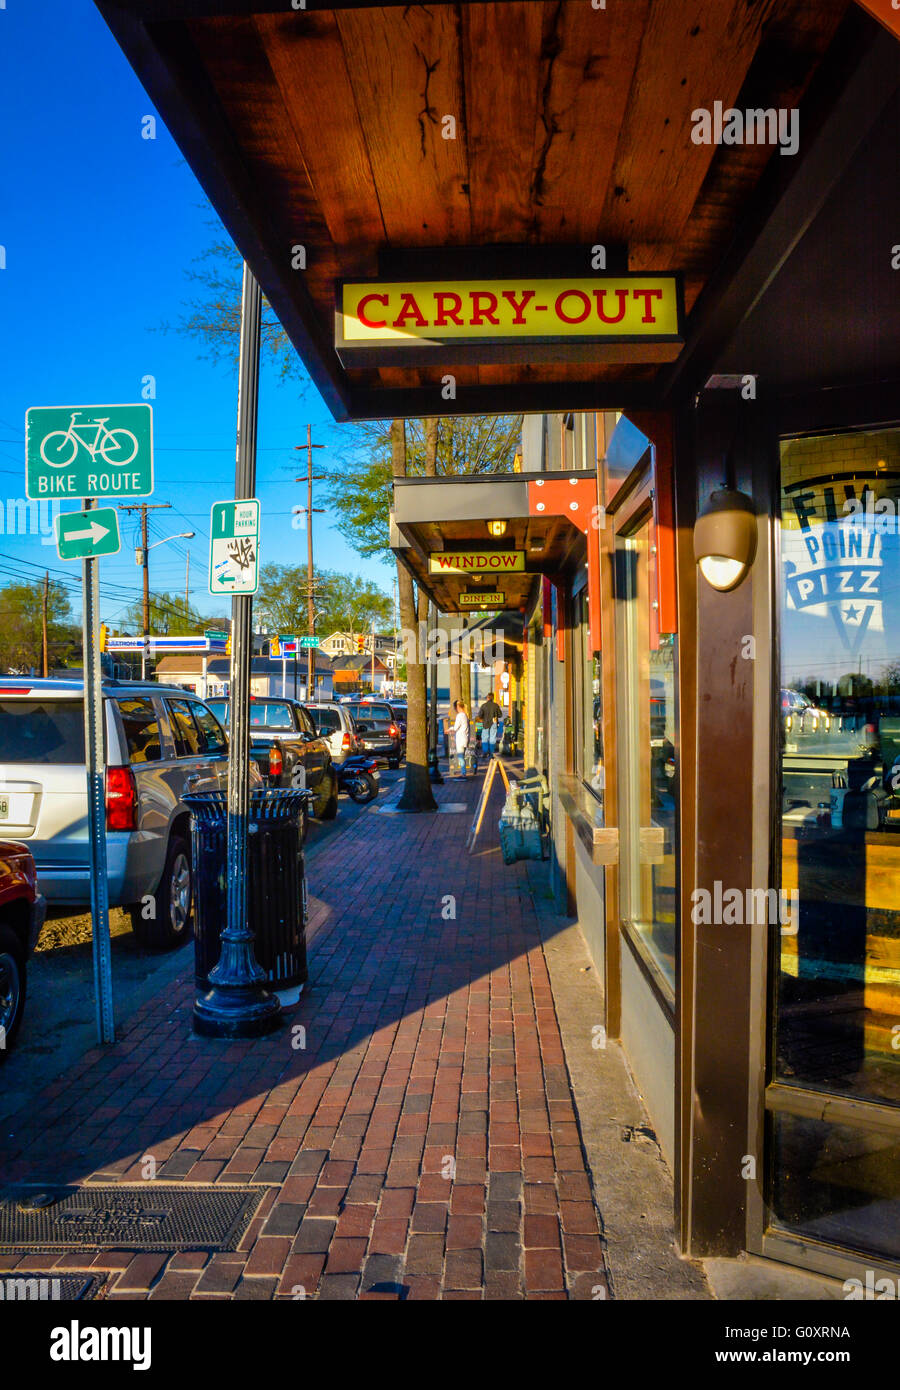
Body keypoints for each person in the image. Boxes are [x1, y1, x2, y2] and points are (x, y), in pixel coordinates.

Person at [478, 691, 504, 757]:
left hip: (486, 723)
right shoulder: (496, 705)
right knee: (493, 737)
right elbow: (500, 715)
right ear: (493, 698)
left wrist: (483, 717)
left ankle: (485, 751)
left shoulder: (484, 706)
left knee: (484, 737)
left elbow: (480, 715)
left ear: (488, 698)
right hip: (494, 723)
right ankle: (491, 752)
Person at [453, 699, 470, 777]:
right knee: (462, 756)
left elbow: (455, 727)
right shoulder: (465, 715)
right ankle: (463, 772)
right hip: (465, 738)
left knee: (460, 757)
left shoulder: (459, 715)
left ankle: (463, 773)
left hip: (460, 739)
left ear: (457, 707)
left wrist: (449, 729)